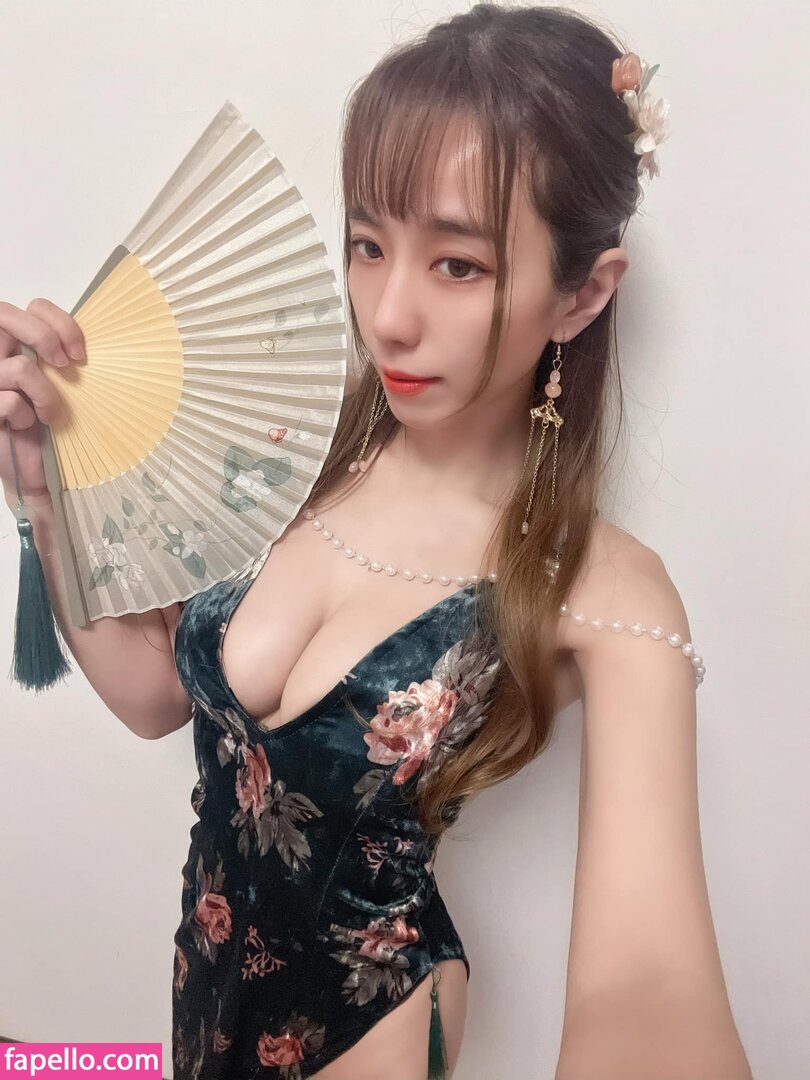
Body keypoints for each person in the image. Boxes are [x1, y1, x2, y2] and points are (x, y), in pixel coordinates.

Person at [1, 5, 753, 1079]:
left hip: (366, 1037)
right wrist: (43, 494)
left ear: (582, 293)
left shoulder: (604, 591)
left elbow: (647, 985)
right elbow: (154, 695)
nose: (389, 314)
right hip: (199, 1008)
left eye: (459, 265)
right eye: (368, 244)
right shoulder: (279, 464)